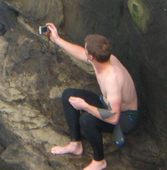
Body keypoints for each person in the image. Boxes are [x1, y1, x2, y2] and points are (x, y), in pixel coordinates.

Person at [43, 23, 138, 170]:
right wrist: (56, 39)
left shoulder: (112, 78)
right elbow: (81, 53)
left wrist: (85, 106)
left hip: (124, 117)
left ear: (92, 56)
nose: (84, 51)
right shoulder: (103, 59)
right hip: (106, 103)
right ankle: (76, 144)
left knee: (86, 120)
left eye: (87, 50)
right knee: (68, 95)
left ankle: (99, 161)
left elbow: (113, 118)